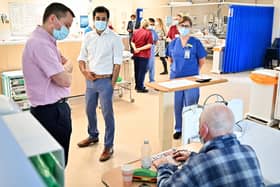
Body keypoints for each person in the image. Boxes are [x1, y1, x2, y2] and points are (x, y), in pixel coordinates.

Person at [153, 103, 265, 187]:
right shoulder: (249, 151)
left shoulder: (199, 164)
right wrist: (193, 156)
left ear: (203, 130)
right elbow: (220, 161)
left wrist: (164, 166)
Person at [22, 2, 75, 166]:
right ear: (53, 18)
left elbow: (67, 63)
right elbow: (65, 79)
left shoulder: (48, 41)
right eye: (66, 25)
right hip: (50, 113)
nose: (68, 30)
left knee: (55, 162)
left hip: (53, 110)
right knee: (54, 165)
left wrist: (64, 68)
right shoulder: (40, 44)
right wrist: (65, 69)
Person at [77, 6, 123, 162]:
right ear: (94, 19)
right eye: (98, 19)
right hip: (90, 80)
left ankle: (108, 145)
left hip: (106, 81)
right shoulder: (88, 36)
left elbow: (117, 64)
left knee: (107, 114)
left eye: (103, 19)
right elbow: (81, 59)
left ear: (107, 20)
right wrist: (84, 72)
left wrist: (112, 84)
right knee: (89, 110)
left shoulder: (115, 38)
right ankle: (93, 135)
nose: (100, 21)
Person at [166, 16, 207, 139]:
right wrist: (176, 69)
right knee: (177, 104)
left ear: (190, 27)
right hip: (176, 79)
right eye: (182, 26)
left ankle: (191, 128)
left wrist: (195, 71)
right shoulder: (173, 43)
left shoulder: (196, 42)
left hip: (191, 79)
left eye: (187, 26)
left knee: (191, 105)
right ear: (178, 27)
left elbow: (202, 60)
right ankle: (178, 128)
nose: (184, 28)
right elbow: (170, 59)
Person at [131, 19, 153, 93]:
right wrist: (140, 49)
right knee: (142, 71)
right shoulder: (148, 33)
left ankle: (137, 85)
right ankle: (140, 87)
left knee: (136, 71)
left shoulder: (136, 31)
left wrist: (135, 49)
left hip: (136, 54)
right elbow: (149, 45)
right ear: (147, 25)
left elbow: (132, 42)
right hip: (144, 55)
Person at [147, 18, 159, 82]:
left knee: (151, 67)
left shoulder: (154, 32)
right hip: (144, 52)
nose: (152, 25)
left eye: (153, 24)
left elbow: (156, 41)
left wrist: (153, 44)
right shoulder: (144, 31)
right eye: (151, 24)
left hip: (151, 52)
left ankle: (152, 80)